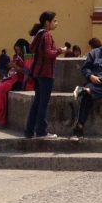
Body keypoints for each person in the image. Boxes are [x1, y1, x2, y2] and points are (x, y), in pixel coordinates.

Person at [24, 10, 64, 139]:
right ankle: (42, 131)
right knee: (43, 103)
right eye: (54, 21)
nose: (56, 23)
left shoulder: (39, 34)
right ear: (47, 22)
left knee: (37, 102)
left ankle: (29, 131)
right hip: (46, 73)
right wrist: (60, 50)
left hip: (38, 72)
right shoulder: (46, 35)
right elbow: (48, 53)